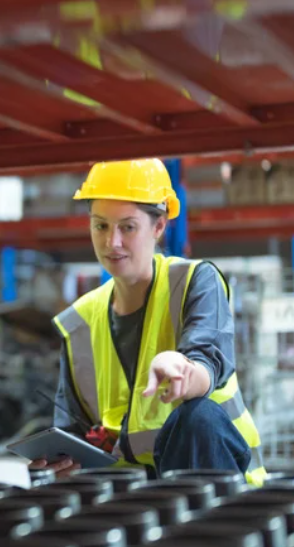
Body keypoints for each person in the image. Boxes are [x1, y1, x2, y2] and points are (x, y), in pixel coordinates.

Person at [34, 158, 266, 486]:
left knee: (197, 416)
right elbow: (75, 431)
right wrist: (62, 461)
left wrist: (185, 369)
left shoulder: (193, 281)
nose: (111, 242)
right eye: (100, 226)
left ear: (158, 228)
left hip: (218, 486)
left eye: (127, 227)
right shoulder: (80, 321)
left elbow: (207, 361)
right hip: (133, 497)